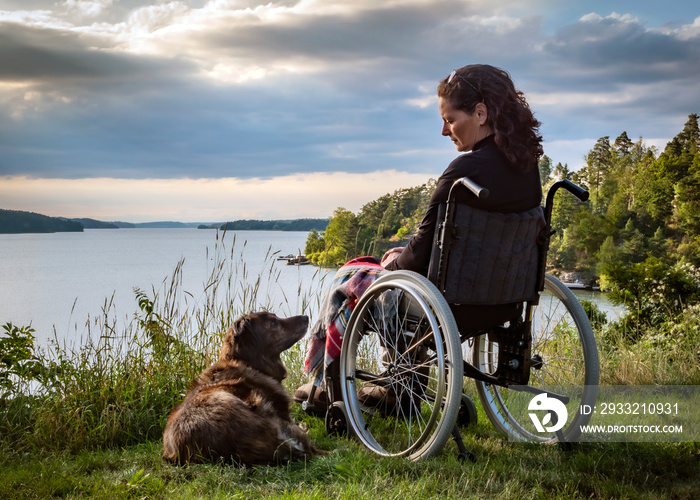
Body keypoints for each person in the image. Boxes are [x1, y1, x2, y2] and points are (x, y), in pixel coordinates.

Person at [295, 64, 543, 409]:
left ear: (481, 113)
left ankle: (325, 386)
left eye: (451, 119)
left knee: (349, 277)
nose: (444, 131)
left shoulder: (463, 173)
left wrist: (394, 260)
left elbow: (417, 256)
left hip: (445, 302)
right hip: (503, 300)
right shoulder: (527, 171)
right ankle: (399, 390)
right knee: (386, 274)